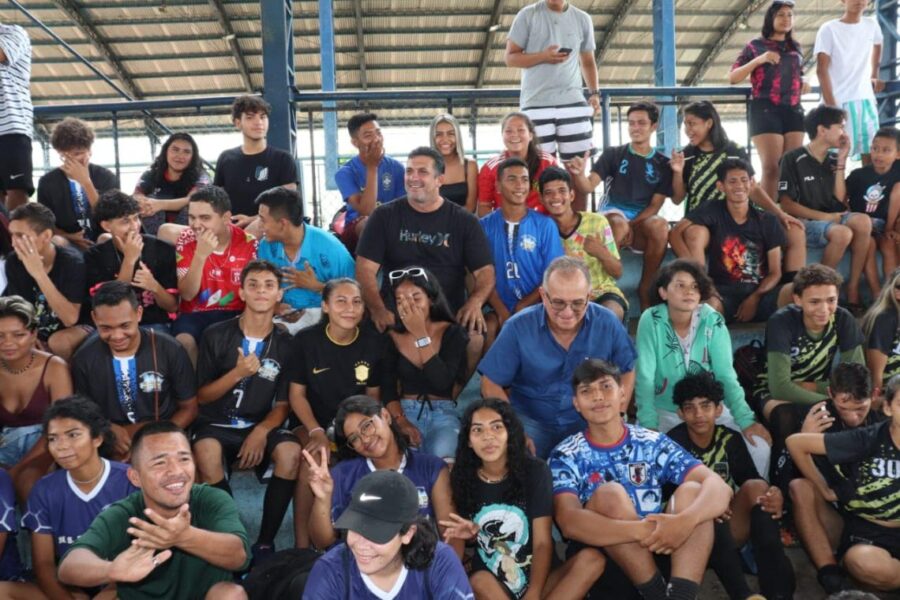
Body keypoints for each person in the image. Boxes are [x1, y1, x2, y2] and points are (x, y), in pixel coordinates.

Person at [550, 359, 733, 600]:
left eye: (606, 386)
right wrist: (645, 529)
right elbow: (568, 521)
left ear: (622, 394)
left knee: (693, 491)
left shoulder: (651, 442)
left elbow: (718, 486)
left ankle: (681, 595)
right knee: (610, 495)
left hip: (660, 550)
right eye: (586, 391)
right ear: (576, 403)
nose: (598, 397)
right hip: (607, 556)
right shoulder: (566, 454)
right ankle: (656, 595)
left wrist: (685, 521)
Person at [57, 421, 250, 600]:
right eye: (160, 463)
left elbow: (239, 557)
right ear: (135, 477)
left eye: (184, 459)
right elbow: (69, 566)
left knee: (230, 594)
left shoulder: (211, 499)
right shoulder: (124, 514)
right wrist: (111, 570)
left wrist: (184, 537)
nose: (176, 471)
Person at [443, 397, 605, 599]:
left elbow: (542, 543)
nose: (488, 437)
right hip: (495, 584)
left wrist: (534, 593)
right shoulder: (461, 478)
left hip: (543, 580)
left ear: (509, 433)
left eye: (496, 427)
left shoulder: (534, 471)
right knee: (478, 581)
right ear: (468, 440)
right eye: (478, 430)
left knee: (592, 559)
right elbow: (464, 536)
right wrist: (471, 536)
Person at [479, 256, 637, 458]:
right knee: (517, 464)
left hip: (589, 419)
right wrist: (513, 428)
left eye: (577, 303)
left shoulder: (607, 322)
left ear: (589, 297)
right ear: (543, 296)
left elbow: (627, 370)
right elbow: (490, 383)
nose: (568, 312)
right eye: (558, 303)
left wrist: (617, 414)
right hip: (530, 420)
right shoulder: (518, 327)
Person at [193, 260, 300, 558]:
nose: (261, 291)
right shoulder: (215, 334)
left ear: (279, 294)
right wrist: (237, 374)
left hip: (259, 423)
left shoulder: (287, 343)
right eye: (253, 285)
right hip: (216, 424)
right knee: (205, 451)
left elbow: (283, 404)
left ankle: (265, 542)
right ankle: (234, 537)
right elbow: (201, 397)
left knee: (291, 453)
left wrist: (262, 432)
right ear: (241, 292)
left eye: (269, 285)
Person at [635, 259, 771, 477]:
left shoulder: (712, 320)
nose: (689, 291)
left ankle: (754, 495)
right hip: (664, 410)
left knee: (760, 447)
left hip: (709, 409)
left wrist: (746, 420)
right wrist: (648, 425)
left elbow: (726, 375)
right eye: (680, 285)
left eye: (695, 286)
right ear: (663, 292)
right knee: (645, 457)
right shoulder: (651, 320)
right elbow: (645, 377)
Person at [355, 147, 494, 360]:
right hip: (396, 312)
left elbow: (485, 272)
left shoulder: (464, 221)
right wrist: (378, 309)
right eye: (409, 171)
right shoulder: (383, 216)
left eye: (422, 172)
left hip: (446, 314)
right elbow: (365, 269)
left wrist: (474, 302)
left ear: (440, 180)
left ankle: (453, 384)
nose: (413, 178)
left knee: (475, 338)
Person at [668, 372, 795, 600]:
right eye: (690, 408)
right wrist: (709, 506)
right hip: (689, 534)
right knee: (709, 510)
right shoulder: (673, 443)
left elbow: (750, 481)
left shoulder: (730, 439)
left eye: (705, 406)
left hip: (729, 526)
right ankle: (742, 594)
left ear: (718, 410)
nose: (698, 414)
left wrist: (774, 493)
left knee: (759, 489)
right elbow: (669, 498)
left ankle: (777, 592)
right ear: (680, 413)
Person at [1, 396, 137, 600]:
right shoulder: (44, 490)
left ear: (97, 438)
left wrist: (108, 594)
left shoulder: (130, 481)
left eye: (73, 435)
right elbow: (44, 565)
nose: (62, 446)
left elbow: (145, 554)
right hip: (72, 587)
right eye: (53, 438)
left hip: (124, 585)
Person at [288, 278, 385, 548]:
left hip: (353, 427)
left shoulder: (373, 343)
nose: (349, 308)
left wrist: (361, 433)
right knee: (312, 460)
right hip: (311, 422)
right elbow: (296, 396)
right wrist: (316, 431)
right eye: (340, 301)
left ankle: (356, 540)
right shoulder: (306, 340)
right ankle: (301, 547)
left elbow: (373, 398)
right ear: (325, 306)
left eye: (356, 302)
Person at [749, 263, 865, 489]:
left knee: (855, 413)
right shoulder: (782, 321)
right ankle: (781, 487)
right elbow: (780, 387)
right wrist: (831, 401)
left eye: (831, 300)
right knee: (785, 414)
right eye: (814, 302)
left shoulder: (843, 319)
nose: (824, 309)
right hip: (768, 389)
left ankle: (841, 484)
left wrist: (817, 387)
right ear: (797, 300)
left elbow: (856, 378)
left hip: (818, 388)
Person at [787, 374, 900, 593]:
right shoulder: (868, 438)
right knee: (862, 562)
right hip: (868, 531)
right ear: (887, 408)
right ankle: (833, 577)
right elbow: (796, 443)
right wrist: (826, 491)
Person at [302, 395, 455, 553]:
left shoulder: (431, 468)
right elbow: (321, 542)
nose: (365, 439)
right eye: (354, 438)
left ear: (385, 416)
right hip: (358, 563)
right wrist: (322, 499)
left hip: (416, 563)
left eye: (367, 426)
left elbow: (452, 534)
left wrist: (448, 568)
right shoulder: (342, 474)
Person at [669, 100, 804, 277]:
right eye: (685, 125)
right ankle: (701, 283)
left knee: (795, 230)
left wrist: (779, 213)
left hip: (740, 216)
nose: (687, 130)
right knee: (695, 234)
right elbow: (677, 199)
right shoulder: (686, 155)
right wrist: (677, 172)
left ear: (709, 123)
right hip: (703, 220)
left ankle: (791, 285)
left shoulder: (734, 150)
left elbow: (752, 188)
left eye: (692, 123)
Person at [72, 281, 198, 461]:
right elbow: (83, 414)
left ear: (139, 313)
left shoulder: (170, 349)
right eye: (106, 328)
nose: (117, 336)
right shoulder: (83, 358)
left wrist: (153, 438)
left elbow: (189, 408)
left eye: (124, 326)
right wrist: (106, 428)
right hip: (111, 445)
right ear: (94, 318)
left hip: (164, 437)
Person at [564, 101, 672, 310]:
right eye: (631, 123)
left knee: (660, 225)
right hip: (612, 218)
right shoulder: (613, 154)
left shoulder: (663, 163)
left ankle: (646, 287)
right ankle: (602, 288)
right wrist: (578, 174)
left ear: (653, 126)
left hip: (639, 224)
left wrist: (633, 224)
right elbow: (588, 186)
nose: (635, 128)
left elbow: (655, 206)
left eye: (641, 123)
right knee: (618, 223)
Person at [302, 470, 472, 599]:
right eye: (354, 527)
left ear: (408, 533)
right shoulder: (331, 570)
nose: (360, 544)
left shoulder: (439, 561)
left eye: (375, 533)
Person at [779, 104, 874, 309]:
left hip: (834, 216)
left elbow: (839, 199)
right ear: (822, 130)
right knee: (842, 233)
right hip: (808, 221)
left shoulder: (833, 158)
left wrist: (842, 160)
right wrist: (825, 217)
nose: (844, 133)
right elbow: (786, 204)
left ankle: (852, 287)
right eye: (840, 127)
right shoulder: (793, 158)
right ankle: (818, 286)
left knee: (863, 221)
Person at [680, 158, 787, 323]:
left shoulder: (768, 220)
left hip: (761, 293)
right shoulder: (712, 210)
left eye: (744, 180)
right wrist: (704, 281)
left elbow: (775, 272)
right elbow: (676, 232)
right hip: (723, 293)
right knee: (707, 308)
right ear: (720, 186)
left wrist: (755, 297)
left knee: (796, 292)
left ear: (752, 183)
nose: (739, 186)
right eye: (732, 181)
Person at [383, 267, 469, 462]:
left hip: (443, 413)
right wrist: (401, 421)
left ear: (431, 299)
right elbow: (387, 389)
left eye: (416, 298)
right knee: (405, 461)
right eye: (400, 301)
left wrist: (420, 334)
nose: (409, 306)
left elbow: (442, 382)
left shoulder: (453, 333)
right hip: (405, 411)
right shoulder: (391, 337)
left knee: (444, 458)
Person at [729, 0, 806, 201]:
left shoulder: (795, 46)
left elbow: (799, 72)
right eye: (781, 14)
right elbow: (734, 77)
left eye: (790, 15)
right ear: (770, 18)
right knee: (771, 167)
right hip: (765, 108)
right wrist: (760, 59)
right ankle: (767, 214)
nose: (786, 19)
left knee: (791, 167)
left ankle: (788, 211)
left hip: (793, 109)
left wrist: (804, 80)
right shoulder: (755, 46)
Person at [173, 185, 258, 365]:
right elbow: (187, 294)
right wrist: (200, 255)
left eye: (205, 218)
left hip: (235, 313)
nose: (196, 225)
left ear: (226, 218)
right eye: (192, 217)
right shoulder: (186, 239)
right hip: (195, 313)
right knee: (184, 341)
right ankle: (194, 385)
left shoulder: (248, 243)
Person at [505, 0, 598, 161]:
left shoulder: (583, 18)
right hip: (535, 104)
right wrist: (543, 56)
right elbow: (510, 58)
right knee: (539, 167)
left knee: (577, 167)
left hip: (573, 103)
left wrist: (595, 93)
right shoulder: (527, 15)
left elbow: (588, 62)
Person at [0, 296, 72, 502]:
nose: (8, 343)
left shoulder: (54, 367)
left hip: (49, 444)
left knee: (29, 482)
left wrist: (17, 470)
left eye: (18, 335)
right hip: (6, 445)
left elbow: (61, 425)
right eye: (0, 335)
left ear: (33, 335)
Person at [481, 157, 564, 335]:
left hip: (537, 306)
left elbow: (553, 274)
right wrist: (501, 311)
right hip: (496, 307)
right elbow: (479, 274)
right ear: (498, 186)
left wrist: (523, 306)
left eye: (525, 180)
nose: (520, 185)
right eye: (512, 179)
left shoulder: (545, 225)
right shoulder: (484, 226)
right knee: (487, 330)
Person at [255, 186, 354, 334]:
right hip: (283, 318)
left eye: (263, 220)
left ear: (282, 223)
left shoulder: (331, 248)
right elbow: (260, 287)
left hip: (326, 318)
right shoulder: (266, 246)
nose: (259, 226)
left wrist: (318, 286)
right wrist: (274, 307)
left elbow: (356, 295)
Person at [539, 166, 627, 321]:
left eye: (562, 191)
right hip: (561, 297)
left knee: (610, 314)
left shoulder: (597, 222)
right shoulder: (541, 230)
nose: (556, 197)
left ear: (572, 195)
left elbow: (618, 273)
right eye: (549, 193)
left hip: (601, 292)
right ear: (541, 199)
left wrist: (601, 253)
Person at [5, 202, 88, 360]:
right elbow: (20, 308)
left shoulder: (72, 263)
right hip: (37, 327)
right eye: (12, 235)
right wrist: (28, 335)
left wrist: (39, 274)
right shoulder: (14, 261)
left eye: (20, 236)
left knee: (59, 342)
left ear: (46, 236)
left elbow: (70, 319)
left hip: (77, 327)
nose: (14, 243)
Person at [86, 190, 178, 332]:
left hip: (154, 324)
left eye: (136, 218)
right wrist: (129, 260)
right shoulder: (95, 256)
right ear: (106, 226)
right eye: (125, 221)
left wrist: (154, 286)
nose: (134, 226)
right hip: (113, 327)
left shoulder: (162, 249)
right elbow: (111, 306)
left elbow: (172, 307)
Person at [212, 95, 297, 234]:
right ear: (238, 123)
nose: (258, 122)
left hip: (270, 230)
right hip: (231, 230)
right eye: (250, 117)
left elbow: (289, 204)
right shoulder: (226, 158)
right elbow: (216, 202)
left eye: (263, 117)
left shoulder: (283, 159)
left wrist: (252, 220)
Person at [815, 0, 884, 160]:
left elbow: (878, 44)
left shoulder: (872, 25)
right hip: (839, 101)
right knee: (835, 158)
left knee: (871, 156)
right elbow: (821, 70)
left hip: (866, 100)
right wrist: (832, 108)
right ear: (843, 1)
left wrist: (874, 74)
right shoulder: (829, 29)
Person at [37, 118, 118, 250]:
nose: (73, 160)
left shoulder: (106, 177)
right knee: (57, 241)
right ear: (59, 153)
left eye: (78, 154)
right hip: (68, 241)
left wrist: (86, 182)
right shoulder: (47, 182)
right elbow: (44, 224)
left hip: (101, 238)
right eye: (66, 156)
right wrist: (68, 236)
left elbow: (110, 217)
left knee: (107, 239)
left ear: (90, 151)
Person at [334, 112, 406, 252]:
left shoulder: (396, 167)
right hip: (358, 227)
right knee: (370, 224)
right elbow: (367, 211)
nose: (376, 139)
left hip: (391, 224)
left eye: (378, 133)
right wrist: (372, 167)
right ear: (355, 143)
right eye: (368, 136)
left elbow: (402, 207)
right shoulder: (345, 172)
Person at [844, 127, 900, 284]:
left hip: (885, 226)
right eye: (875, 149)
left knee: (889, 245)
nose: (878, 154)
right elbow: (842, 198)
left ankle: (892, 289)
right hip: (863, 227)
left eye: (886, 150)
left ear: (898, 154)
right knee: (869, 245)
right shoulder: (858, 175)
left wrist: (892, 227)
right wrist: (849, 216)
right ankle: (877, 292)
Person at [477, 113, 557, 216]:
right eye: (508, 131)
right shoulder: (490, 168)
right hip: (505, 223)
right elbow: (484, 205)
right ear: (502, 135)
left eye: (521, 130)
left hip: (541, 223)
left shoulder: (547, 163)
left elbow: (557, 198)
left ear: (530, 135)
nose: (514, 135)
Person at [133, 132, 210, 236]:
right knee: (146, 203)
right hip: (154, 234)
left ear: (193, 156)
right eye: (175, 150)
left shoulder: (201, 177)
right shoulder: (151, 174)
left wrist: (159, 204)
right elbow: (136, 195)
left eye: (186, 152)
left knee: (192, 206)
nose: (180, 156)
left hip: (186, 233)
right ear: (166, 151)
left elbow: (193, 199)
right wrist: (145, 203)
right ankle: (154, 242)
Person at [0, 22, 33, 212]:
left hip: (12, 127)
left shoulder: (14, 32)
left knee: (16, 190)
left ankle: (19, 231)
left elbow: (2, 53)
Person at [862, 267, 900, 393]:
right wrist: (877, 399)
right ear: (897, 293)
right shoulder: (884, 319)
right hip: (890, 395)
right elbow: (875, 374)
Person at [429, 113, 477, 212]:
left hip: (463, 220)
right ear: (433, 138)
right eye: (439, 134)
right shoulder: (427, 167)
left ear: (458, 136)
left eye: (451, 134)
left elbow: (471, 206)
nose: (445, 140)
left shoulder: (470, 166)